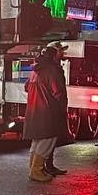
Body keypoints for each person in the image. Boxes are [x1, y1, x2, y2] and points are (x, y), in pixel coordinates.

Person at [24, 41, 69, 182]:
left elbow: (27, 87)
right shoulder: (52, 70)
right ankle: (36, 171)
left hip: (34, 109)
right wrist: (62, 109)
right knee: (48, 140)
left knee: (38, 140)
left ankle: (33, 167)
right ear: (54, 53)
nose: (62, 54)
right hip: (48, 111)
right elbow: (58, 93)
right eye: (60, 51)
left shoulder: (36, 69)